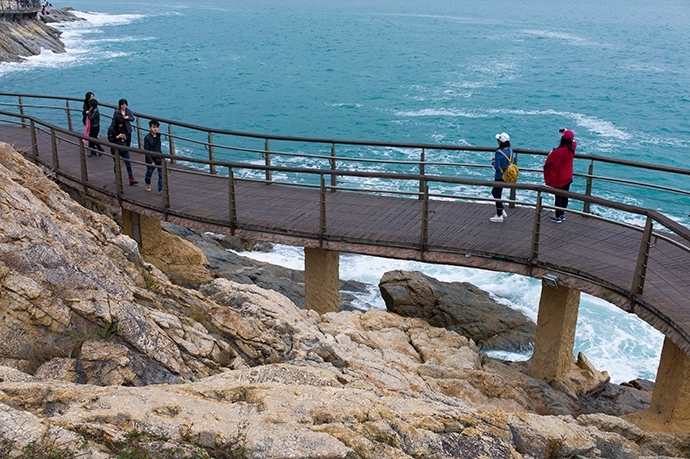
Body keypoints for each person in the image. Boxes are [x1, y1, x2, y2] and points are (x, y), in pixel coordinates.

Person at [544, 129, 576, 223]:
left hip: (560, 178)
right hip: (568, 176)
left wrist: (550, 154)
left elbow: (550, 163)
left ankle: (557, 217)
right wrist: (566, 131)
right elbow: (573, 141)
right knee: (565, 196)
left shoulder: (558, 151)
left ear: (562, 139)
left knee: (558, 197)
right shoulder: (572, 148)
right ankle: (562, 214)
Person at [108, 115, 138, 185]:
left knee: (128, 162)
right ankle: (117, 178)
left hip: (123, 147)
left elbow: (127, 137)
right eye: (119, 124)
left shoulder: (124, 127)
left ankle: (131, 178)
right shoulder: (111, 128)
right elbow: (110, 139)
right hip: (115, 148)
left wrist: (125, 137)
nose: (120, 125)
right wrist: (117, 137)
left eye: (122, 124)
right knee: (117, 164)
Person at [489, 132, 512, 223]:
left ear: (500, 142)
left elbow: (497, 167)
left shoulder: (498, 153)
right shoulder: (510, 150)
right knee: (496, 192)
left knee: (496, 194)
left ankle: (499, 214)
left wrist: (493, 162)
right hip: (506, 175)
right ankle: (501, 209)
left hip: (499, 176)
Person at [144, 120, 163, 194]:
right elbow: (146, 151)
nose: (155, 129)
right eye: (154, 127)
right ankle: (147, 183)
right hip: (151, 159)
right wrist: (151, 161)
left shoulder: (158, 136)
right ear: (150, 128)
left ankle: (160, 190)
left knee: (161, 175)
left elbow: (159, 148)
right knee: (149, 173)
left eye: (157, 127)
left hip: (158, 158)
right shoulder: (147, 138)